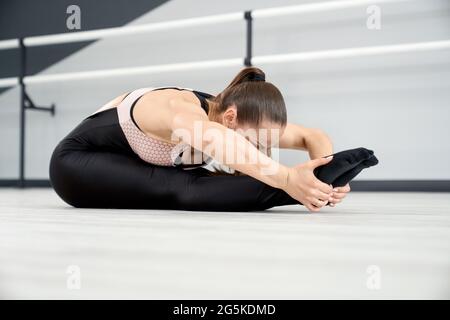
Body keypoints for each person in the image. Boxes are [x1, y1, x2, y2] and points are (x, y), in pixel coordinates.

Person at [49, 67, 350, 212]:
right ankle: (294, 189)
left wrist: (323, 167)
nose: (258, 145)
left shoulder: (243, 114)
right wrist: (286, 178)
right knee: (184, 189)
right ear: (231, 118)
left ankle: (310, 184)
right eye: (254, 140)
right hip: (76, 165)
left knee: (216, 178)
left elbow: (313, 135)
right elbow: (215, 140)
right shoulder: (179, 108)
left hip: (138, 166)